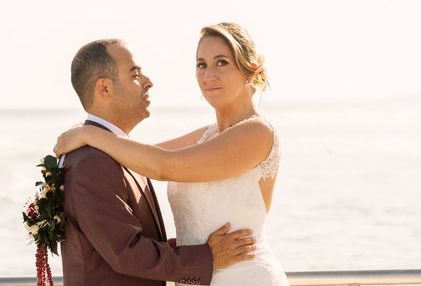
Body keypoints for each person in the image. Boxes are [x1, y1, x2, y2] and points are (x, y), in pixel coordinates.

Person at [55, 23, 288, 286]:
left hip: (243, 276)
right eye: (201, 65)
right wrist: (89, 133)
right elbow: (138, 159)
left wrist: (91, 134)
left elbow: (162, 166)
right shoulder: (206, 136)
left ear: (250, 69)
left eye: (221, 62)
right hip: (200, 274)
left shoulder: (256, 132)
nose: (209, 74)